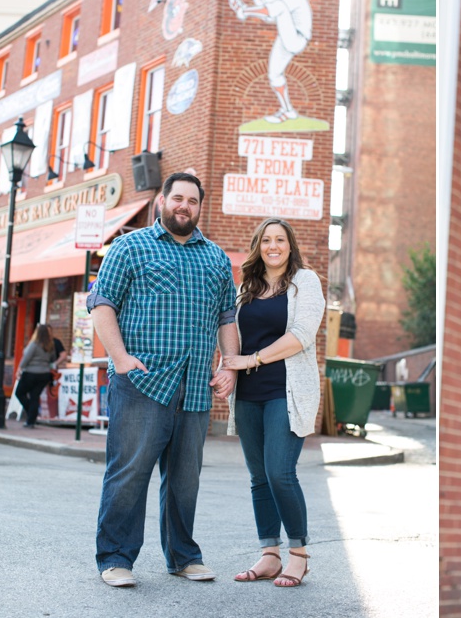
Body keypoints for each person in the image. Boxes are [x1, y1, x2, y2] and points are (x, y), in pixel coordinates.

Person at [86, 172, 239, 588]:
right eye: (177, 198)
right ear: (162, 202)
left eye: (192, 200)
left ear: (199, 207)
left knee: (186, 479)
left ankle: (183, 557)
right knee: (129, 473)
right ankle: (115, 557)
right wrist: (119, 358)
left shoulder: (216, 258)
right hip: (143, 382)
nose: (183, 206)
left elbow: (227, 316)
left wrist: (229, 365)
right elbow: (101, 303)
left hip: (195, 387)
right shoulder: (130, 247)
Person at [221, 218, 326, 588]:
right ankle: (269, 554)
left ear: (290, 245)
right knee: (258, 478)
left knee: (280, 472)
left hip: (286, 391)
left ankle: (298, 556)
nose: (273, 246)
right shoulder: (245, 287)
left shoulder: (305, 282)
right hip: (248, 394)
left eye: (280, 239)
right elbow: (230, 333)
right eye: (266, 240)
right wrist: (228, 368)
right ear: (258, 246)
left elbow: (301, 335)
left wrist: (252, 360)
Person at [13, 324, 57, 428]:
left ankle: (32, 414)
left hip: (31, 373)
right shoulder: (51, 345)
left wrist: (19, 369)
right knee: (35, 396)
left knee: (19, 393)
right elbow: (53, 359)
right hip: (44, 374)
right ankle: (31, 420)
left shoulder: (34, 344)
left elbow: (26, 358)